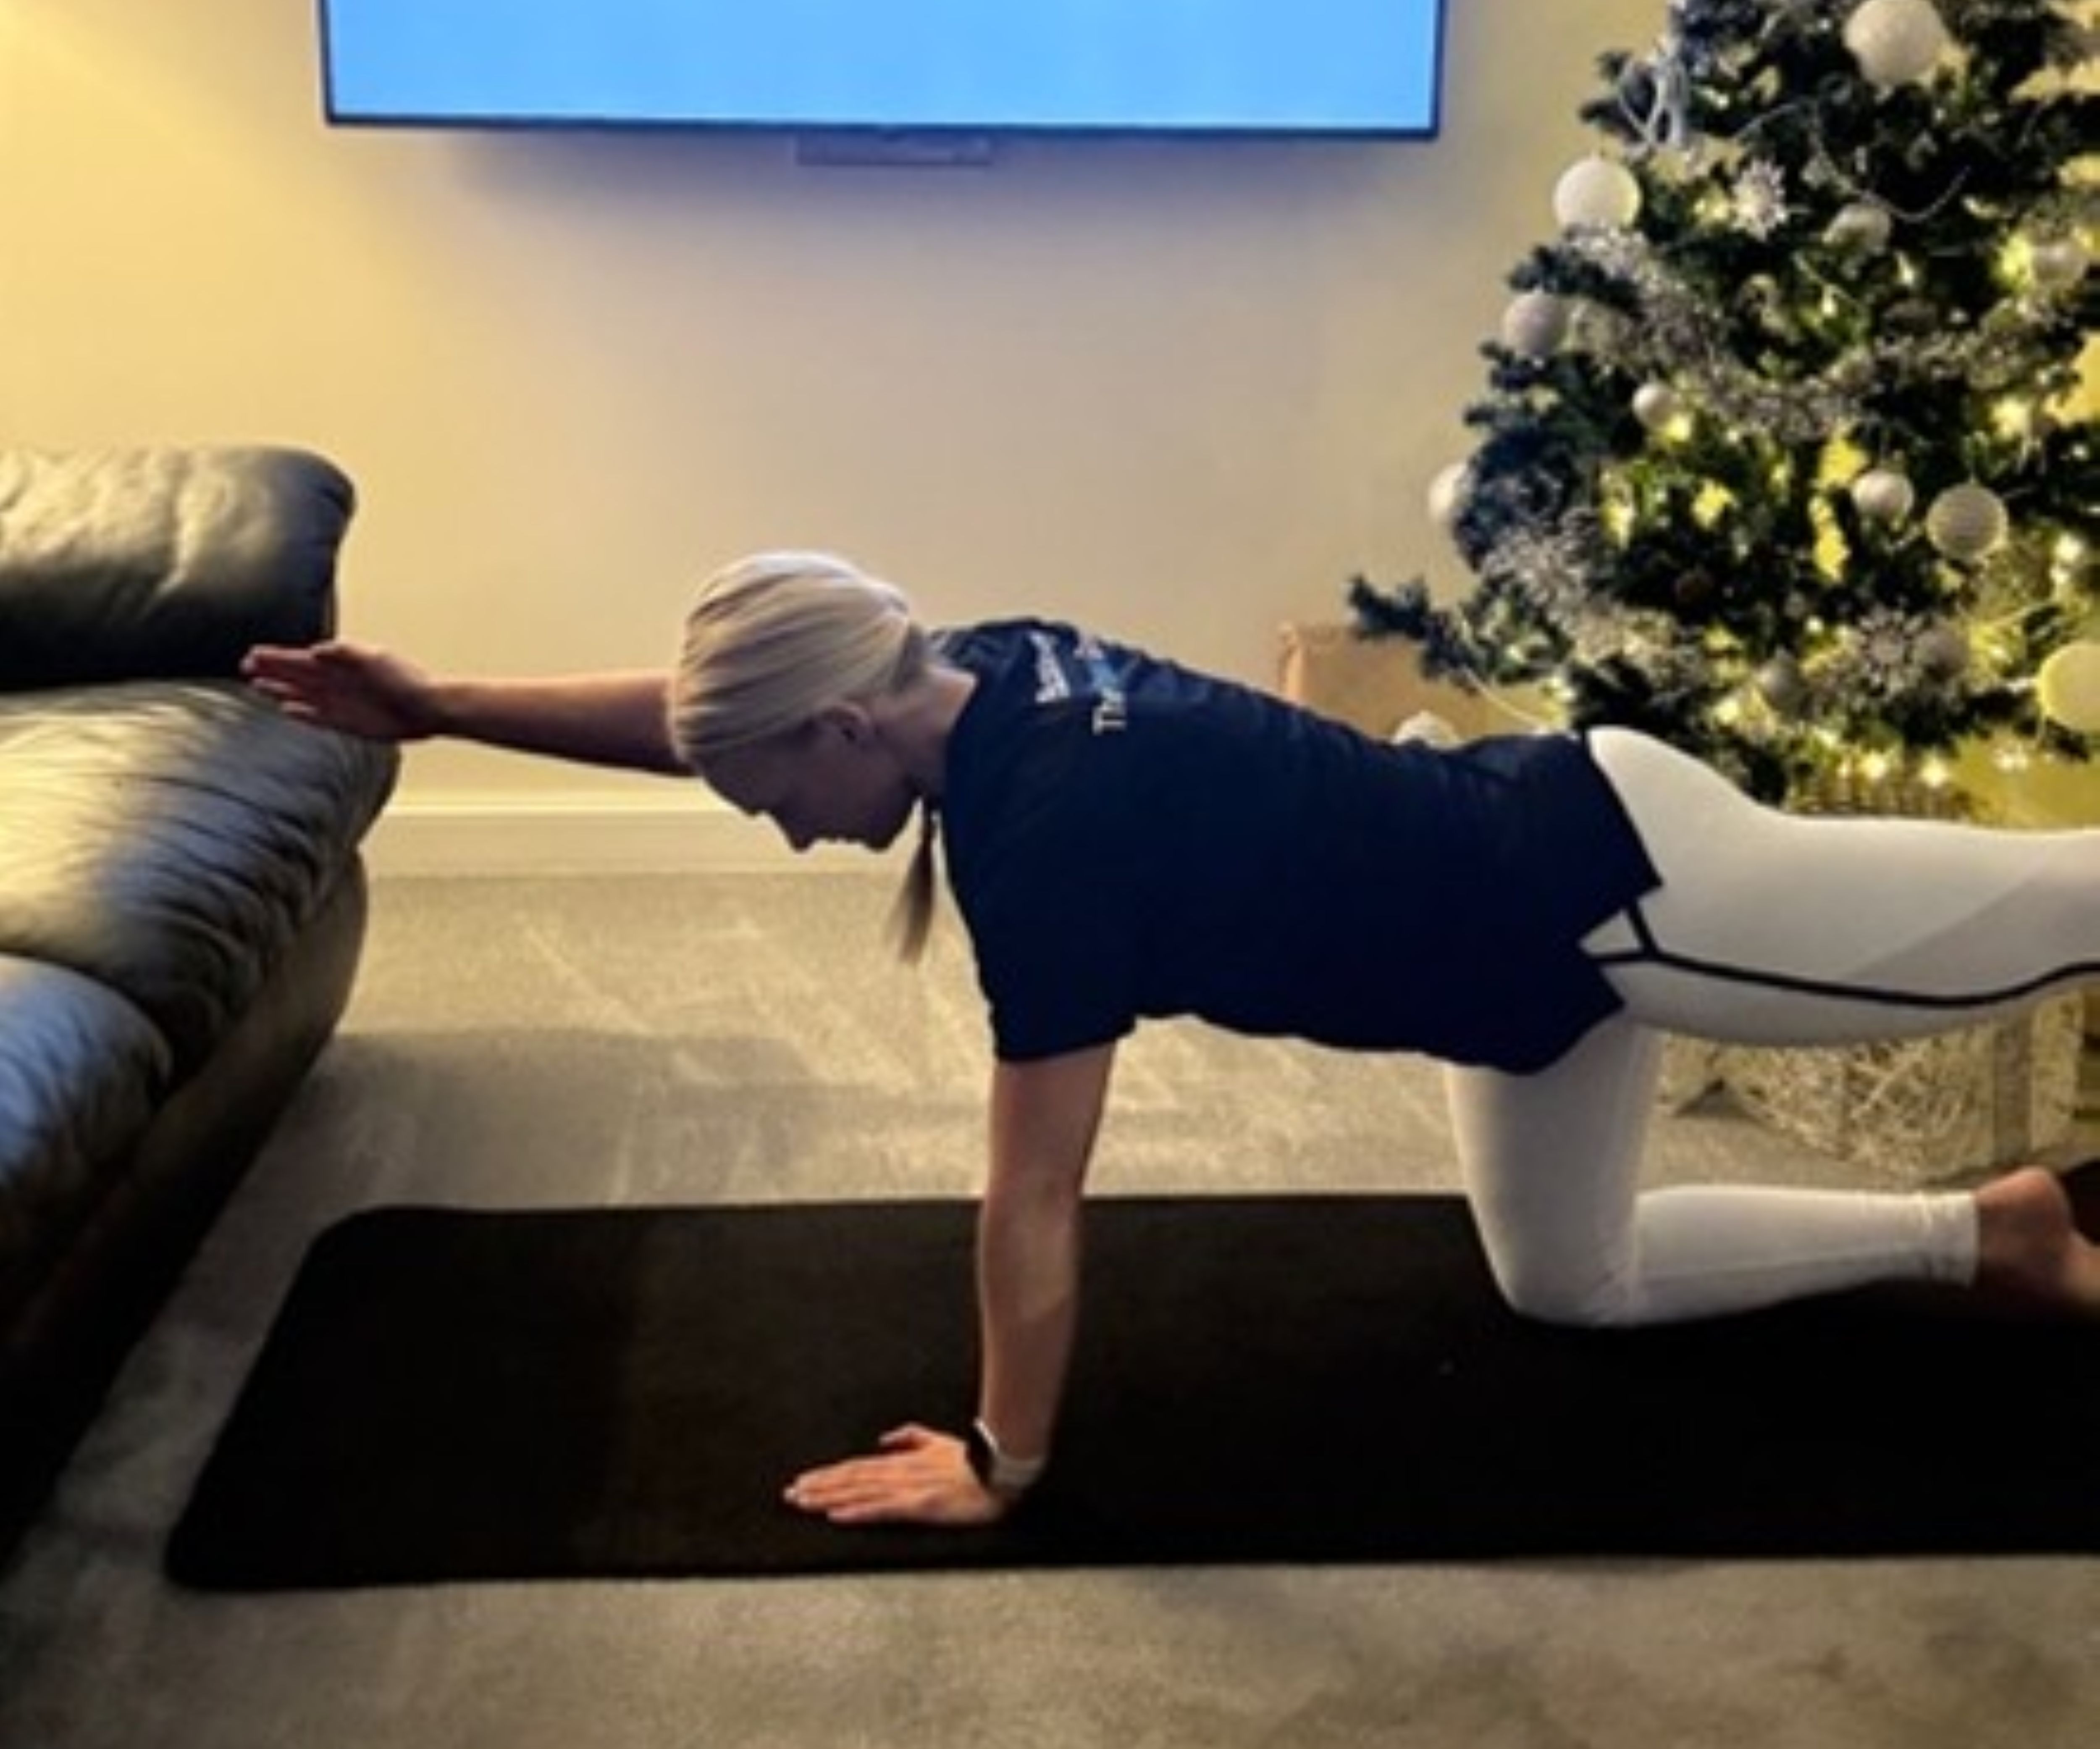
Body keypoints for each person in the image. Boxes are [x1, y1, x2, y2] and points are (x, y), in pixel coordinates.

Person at [243, 551, 2100, 1531]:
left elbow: (1032, 1203)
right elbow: (701, 708)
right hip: (1521, 973)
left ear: (841, 736)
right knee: (1571, 1284)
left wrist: (1004, 1460)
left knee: (2055, 913)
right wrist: (441, 706)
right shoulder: (957, 663)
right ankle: (1993, 1236)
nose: (768, 830)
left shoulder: (1046, 847)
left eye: (760, 799)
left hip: (1632, 893)